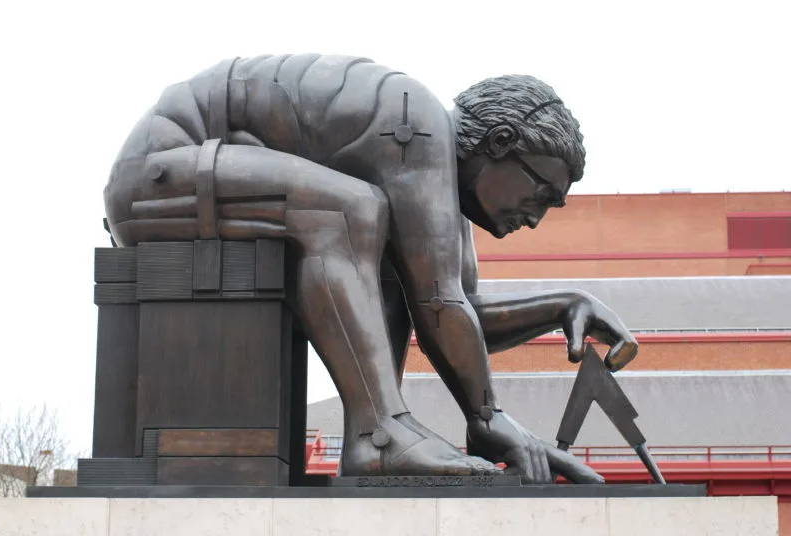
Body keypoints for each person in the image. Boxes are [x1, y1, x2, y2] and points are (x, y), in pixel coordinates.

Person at [104, 54, 638, 483]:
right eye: (541, 192)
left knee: (376, 241)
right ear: (498, 144)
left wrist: (563, 306)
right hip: (158, 175)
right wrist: (489, 418)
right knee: (348, 211)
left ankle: (381, 435)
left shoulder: (441, 201)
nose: (536, 217)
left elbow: (457, 316)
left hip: (206, 180)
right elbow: (440, 306)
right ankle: (381, 435)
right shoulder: (420, 125)